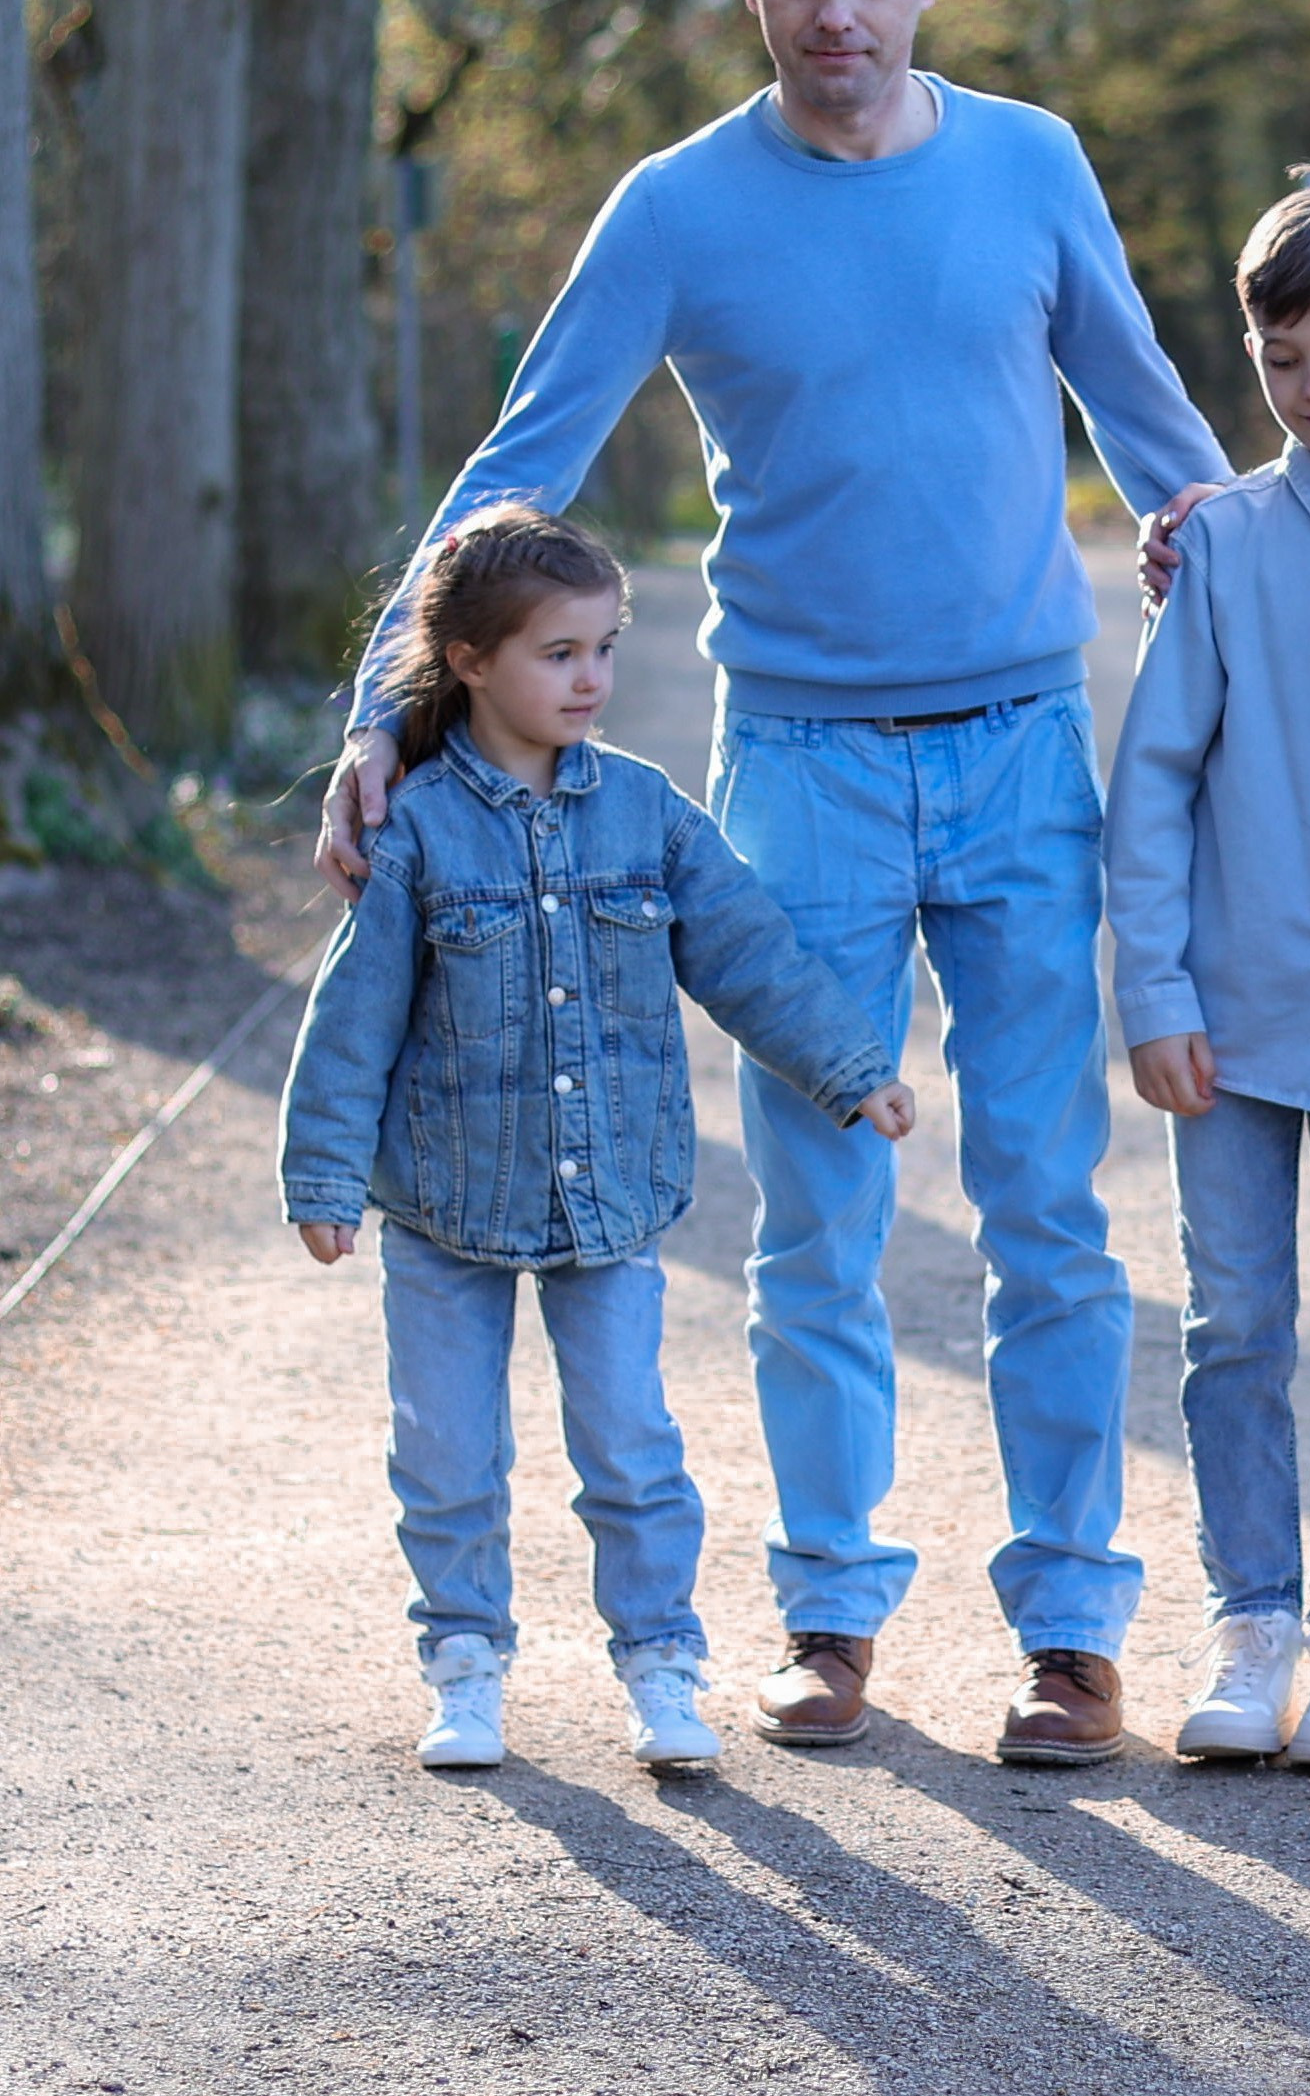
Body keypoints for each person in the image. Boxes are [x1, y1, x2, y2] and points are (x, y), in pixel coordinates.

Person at [316, 0, 1231, 1765]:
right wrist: (379, 722)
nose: (837, 10)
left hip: (1014, 755)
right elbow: (516, 468)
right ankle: (829, 1612)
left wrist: (1285, 653)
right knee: (817, 1220)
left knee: (1044, 1204)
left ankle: (1070, 1628)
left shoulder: (1030, 164)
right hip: (795, 774)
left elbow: (1166, 440)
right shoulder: (672, 209)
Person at [281, 506, 914, 1776]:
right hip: (445, 1203)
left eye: (603, 649)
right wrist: (323, 1171)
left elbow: (747, 953)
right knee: (447, 1451)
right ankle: (464, 1664)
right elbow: (352, 1015)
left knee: (629, 1445)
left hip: (609, 1200)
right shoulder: (415, 833)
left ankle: (661, 1663)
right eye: (559, 653)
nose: (591, 679)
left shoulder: (647, 815)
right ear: (468, 660)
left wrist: (850, 1067)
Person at [1105, 173, 1310, 1772]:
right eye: (1282, 354)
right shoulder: (1223, 545)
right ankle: (1250, 1621)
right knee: (1233, 1321)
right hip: (1230, 1023)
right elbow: (1152, 776)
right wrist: (1153, 990)